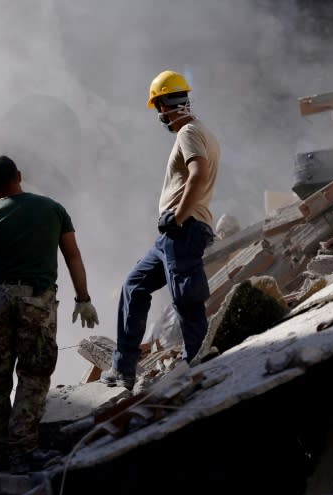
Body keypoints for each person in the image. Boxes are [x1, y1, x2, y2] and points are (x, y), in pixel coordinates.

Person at [0, 154, 99, 474]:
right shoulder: (53, 209)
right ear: (19, 175)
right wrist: (83, 298)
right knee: (33, 377)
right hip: (37, 301)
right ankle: (21, 453)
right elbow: (73, 256)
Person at [101, 69, 220, 391]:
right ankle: (123, 367)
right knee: (134, 286)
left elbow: (198, 173)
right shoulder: (201, 131)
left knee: (186, 297)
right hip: (172, 234)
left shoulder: (189, 133)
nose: (160, 116)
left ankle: (197, 357)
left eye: (159, 108)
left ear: (167, 104)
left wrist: (178, 217)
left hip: (184, 228)